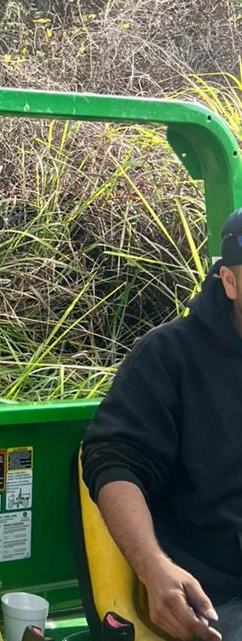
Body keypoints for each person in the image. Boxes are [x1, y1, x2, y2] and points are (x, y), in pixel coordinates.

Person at [82, 209, 242, 641]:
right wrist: (155, 568)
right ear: (229, 282)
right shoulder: (170, 357)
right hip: (222, 597)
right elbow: (114, 461)